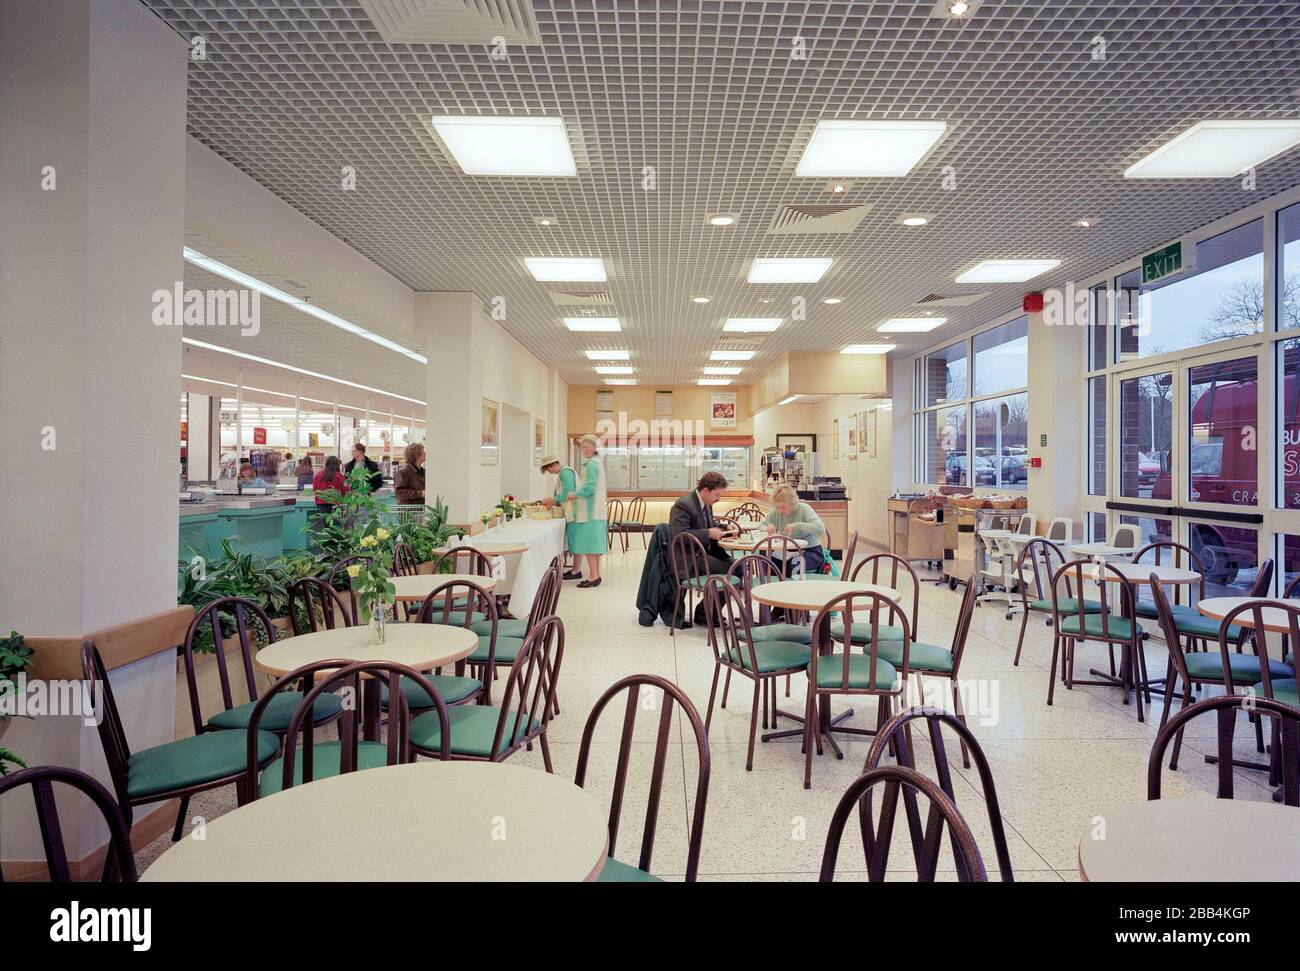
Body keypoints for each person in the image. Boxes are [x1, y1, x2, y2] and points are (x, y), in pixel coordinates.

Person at [668, 470, 737, 577]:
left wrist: (726, 527)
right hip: (689, 559)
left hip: (705, 553)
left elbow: (708, 524)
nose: (718, 499)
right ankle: (717, 593)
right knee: (731, 570)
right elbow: (679, 535)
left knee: (738, 566)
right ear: (705, 490)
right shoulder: (683, 505)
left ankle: (719, 593)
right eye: (717, 495)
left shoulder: (706, 503)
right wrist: (708, 533)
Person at [561, 435, 608, 588]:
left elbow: (589, 487)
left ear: (595, 448)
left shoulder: (592, 464)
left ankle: (594, 576)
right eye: (583, 447)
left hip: (590, 511)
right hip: (594, 510)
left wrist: (573, 495)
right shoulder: (595, 463)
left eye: (588, 446)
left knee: (589, 545)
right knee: (593, 546)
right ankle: (595, 575)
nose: (585, 449)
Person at [761, 483, 829, 575]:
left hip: (810, 550)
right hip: (786, 550)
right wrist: (767, 528)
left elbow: (820, 528)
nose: (780, 511)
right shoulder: (775, 512)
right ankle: (774, 588)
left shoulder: (804, 509)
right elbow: (760, 527)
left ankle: (793, 588)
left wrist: (796, 525)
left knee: (794, 564)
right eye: (777, 507)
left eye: (783, 507)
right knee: (767, 563)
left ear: (792, 504)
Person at [539, 455, 584, 580]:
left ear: (553, 465)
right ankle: (575, 569)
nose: (550, 473)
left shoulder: (565, 473)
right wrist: (552, 499)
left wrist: (554, 500)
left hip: (575, 511)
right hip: (573, 511)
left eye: (549, 470)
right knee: (574, 539)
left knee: (576, 540)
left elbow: (567, 493)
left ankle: (576, 570)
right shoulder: (563, 474)